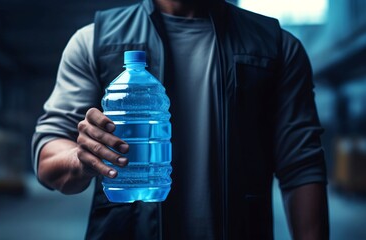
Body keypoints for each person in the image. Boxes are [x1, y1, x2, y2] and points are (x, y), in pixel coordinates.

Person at [32, 0, 329, 239]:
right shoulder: (95, 41)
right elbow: (48, 157)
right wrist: (81, 158)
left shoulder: (277, 48)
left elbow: (301, 170)